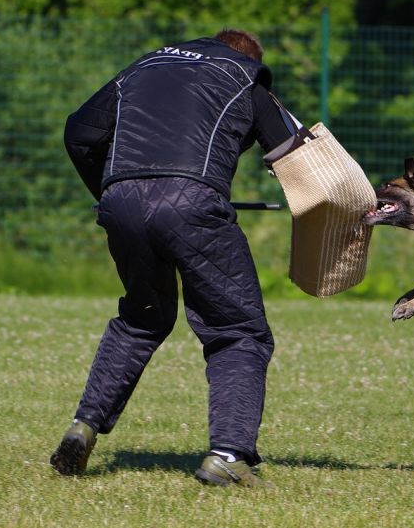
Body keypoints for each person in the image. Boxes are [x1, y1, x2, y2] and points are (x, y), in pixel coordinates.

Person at [53, 29, 309, 488]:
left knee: (142, 318)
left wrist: (110, 191)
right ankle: (228, 455)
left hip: (120, 199)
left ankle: (84, 425)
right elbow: (298, 157)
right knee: (238, 331)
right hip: (192, 201)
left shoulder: (142, 67)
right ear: (249, 57)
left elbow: (79, 133)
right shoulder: (247, 78)